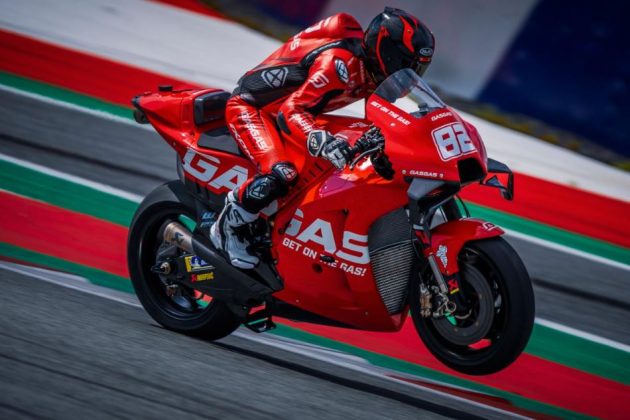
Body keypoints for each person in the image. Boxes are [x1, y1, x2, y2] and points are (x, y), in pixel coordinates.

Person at [211, 7, 435, 269]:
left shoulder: (377, 76)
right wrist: (323, 141)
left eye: (418, 69)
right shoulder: (338, 64)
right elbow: (291, 111)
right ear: (387, 53)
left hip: (295, 113)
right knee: (282, 174)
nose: (412, 75)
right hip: (254, 109)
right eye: (409, 65)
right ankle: (227, 226)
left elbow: (380, 121)